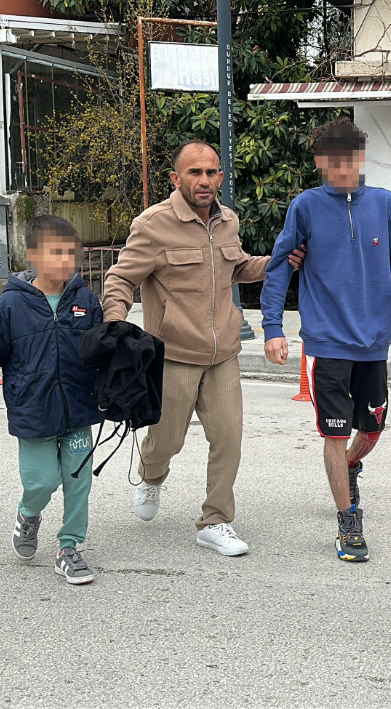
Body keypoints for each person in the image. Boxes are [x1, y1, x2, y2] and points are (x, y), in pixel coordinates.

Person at [100, 140, 303, 557]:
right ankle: (151, 477)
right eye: (195, 172)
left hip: (223, 353)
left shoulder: (228, 220)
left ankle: (215, 521)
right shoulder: (153, 225)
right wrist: (114, 325)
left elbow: (238, 266)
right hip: (173, 354)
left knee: (228, 438)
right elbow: (121, 278)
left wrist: (280, 260)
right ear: (177, 179)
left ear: (221, 178)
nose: (204, 180)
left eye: (211, 172)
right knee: (166, 441)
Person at [260, 119, 391, 563]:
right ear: (320, 163)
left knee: (371, 430)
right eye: (333, 161)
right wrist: (273, 328)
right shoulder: (305, 207)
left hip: (373, 342)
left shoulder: (385, 205)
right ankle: (347, 519)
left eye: (349, 159)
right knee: (334, 432)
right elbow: (279, 268)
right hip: (326, 343)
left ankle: (349, 466)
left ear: (360, 158)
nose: (343, 168)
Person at [0, 216, 103, 585]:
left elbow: (99, 353)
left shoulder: (85, 300)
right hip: (33, 409)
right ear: (33, 256)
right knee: (41, 481)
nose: (64, 261)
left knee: (78, 481)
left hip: (78, 409)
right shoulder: (12, 304)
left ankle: (69, 548)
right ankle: (29, 514)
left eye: (69, 253)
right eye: (54, 253)